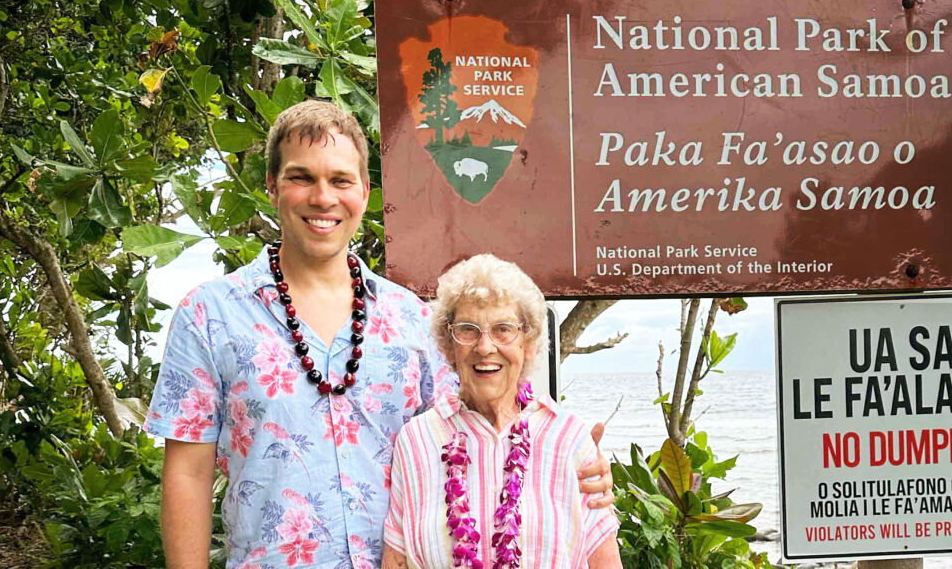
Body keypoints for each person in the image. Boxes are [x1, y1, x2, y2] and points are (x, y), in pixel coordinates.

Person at [143, 100, 613, 569]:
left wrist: (575, 463)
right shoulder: (209, 314)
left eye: (340, 180)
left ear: (365, 192)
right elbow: (188, 473)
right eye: (301, 177)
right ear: (271, 185)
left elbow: (476, 434)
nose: (323, 198)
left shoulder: (413, 319)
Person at [381, 254, 621, 569]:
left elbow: (604, 562)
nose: (484, 347)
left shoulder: (569, 438)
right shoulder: (417, 441)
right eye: (468, 330)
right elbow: (396, 561)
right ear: (449, 345)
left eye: (503, 329)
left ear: (529, 343)